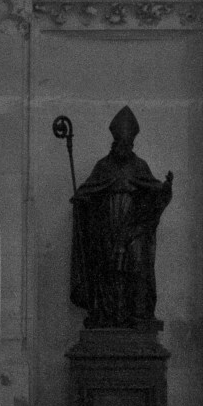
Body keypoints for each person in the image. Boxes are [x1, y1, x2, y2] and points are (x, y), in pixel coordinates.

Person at [70, 106, 173, 329]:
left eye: (128, 144)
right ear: (114, 143)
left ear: (132, 144)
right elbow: (89, 192)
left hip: (133, 228)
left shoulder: (139, 166)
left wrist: (165, 189)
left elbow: (153, 193)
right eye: (120, 144)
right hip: (106, 226)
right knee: (105, 268)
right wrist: (81, 200)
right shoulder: (103, 166)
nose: (124, 148)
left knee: (136, 267)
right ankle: (105, 316)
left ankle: (137, 315)